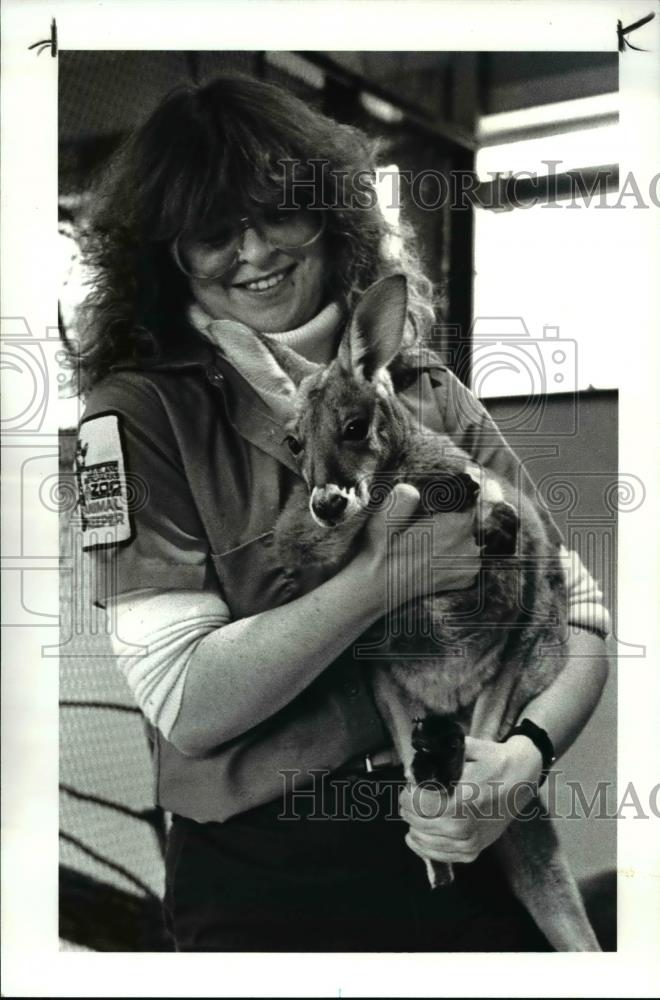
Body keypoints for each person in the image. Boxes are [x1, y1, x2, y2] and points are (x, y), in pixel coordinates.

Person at [72, 74, 611, 952]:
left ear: (329, 215)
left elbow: (581, 613)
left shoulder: (428, 391)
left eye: (277, 211)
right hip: (274, 875)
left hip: (464, 816)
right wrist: (382, 581)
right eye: (213, 232)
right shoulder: (134, 420)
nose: (252, 251)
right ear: (168, 256)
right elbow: (187, 700)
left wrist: (521, 762)